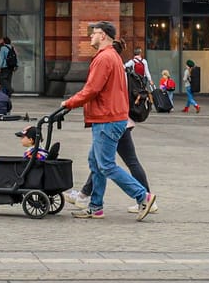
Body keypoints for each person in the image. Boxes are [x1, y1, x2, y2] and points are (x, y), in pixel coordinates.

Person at [59, 21, 155, 221]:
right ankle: (96, 207)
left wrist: (69, 103)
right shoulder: (113, 57)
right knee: (96, 162)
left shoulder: (104, 58)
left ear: (103, 35)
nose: (90, 37)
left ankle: (142, 196)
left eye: (93, 33)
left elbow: (92, 89)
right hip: (111, 116)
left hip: (107, 118)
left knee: (106, 165)